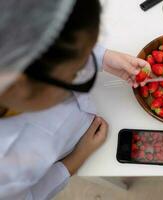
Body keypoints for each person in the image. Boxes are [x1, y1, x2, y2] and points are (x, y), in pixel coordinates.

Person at [0, 0, 149, 199]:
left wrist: (102, 57)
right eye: (76, 74)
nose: (85, 71)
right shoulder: (7, 170)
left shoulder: (19, 59)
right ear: (18, 85)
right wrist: (76, 159)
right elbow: (31, 195)